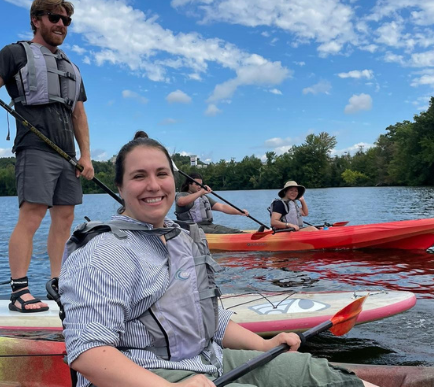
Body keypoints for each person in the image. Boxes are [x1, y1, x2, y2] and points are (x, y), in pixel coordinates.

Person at [57, 131, 375, 387]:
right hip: (144, 373)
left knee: (319, 375)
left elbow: (211, 319)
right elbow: (87, 352)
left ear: (171, 179)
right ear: (120, 187)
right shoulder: (101, 252)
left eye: (161, 174)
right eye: (139, 176)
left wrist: (263, 345)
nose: (153, 185)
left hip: (206, 361)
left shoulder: (184, 240)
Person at [0, 0, 94, 312]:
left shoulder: (72, 68)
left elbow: (79, 114)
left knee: (65, 217)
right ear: (36, 20)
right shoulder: (14, 53)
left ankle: (58, 283)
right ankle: (19, 292)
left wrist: (85, 156)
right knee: (32, 215)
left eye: (66, 20)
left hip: (68, 156)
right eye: (54, 18)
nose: (61, 24)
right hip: (34, 148)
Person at [174, 173, 249, 234]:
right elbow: (181, 202)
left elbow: (222, 207)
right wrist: (201, 192)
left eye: (201, 184)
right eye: (197, 184)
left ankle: (243, 235)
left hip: (208, 225)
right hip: (191, 228)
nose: (199, 187)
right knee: (221, 232)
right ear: (189, 184)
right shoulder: (181, 195)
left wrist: (239, 212)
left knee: (233, 231)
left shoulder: (202, 198)